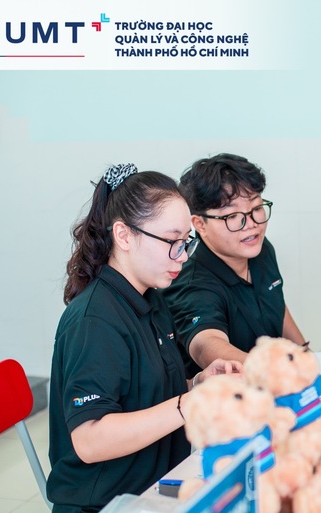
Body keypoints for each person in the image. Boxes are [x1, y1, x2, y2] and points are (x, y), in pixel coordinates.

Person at [48, 164, 240, 513]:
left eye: (186, 242)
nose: (183, 256)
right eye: (171, 242)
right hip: (108, 502)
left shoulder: (151, 298)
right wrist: (187, 406)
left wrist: (198, 383)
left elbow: (144, 392)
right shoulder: (94, 321)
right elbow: (90, 440)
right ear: (124, 236)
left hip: (159, 484)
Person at [163, 153, 307, 373]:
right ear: (199, 224)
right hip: (227, 391)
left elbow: (276, 304)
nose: (251, 224)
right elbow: (205, 344)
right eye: (232, 216)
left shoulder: (260, 249)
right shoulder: (191, 281)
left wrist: (305, 356)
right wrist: (272, 371)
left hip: (276, 385)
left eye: (256, 208)